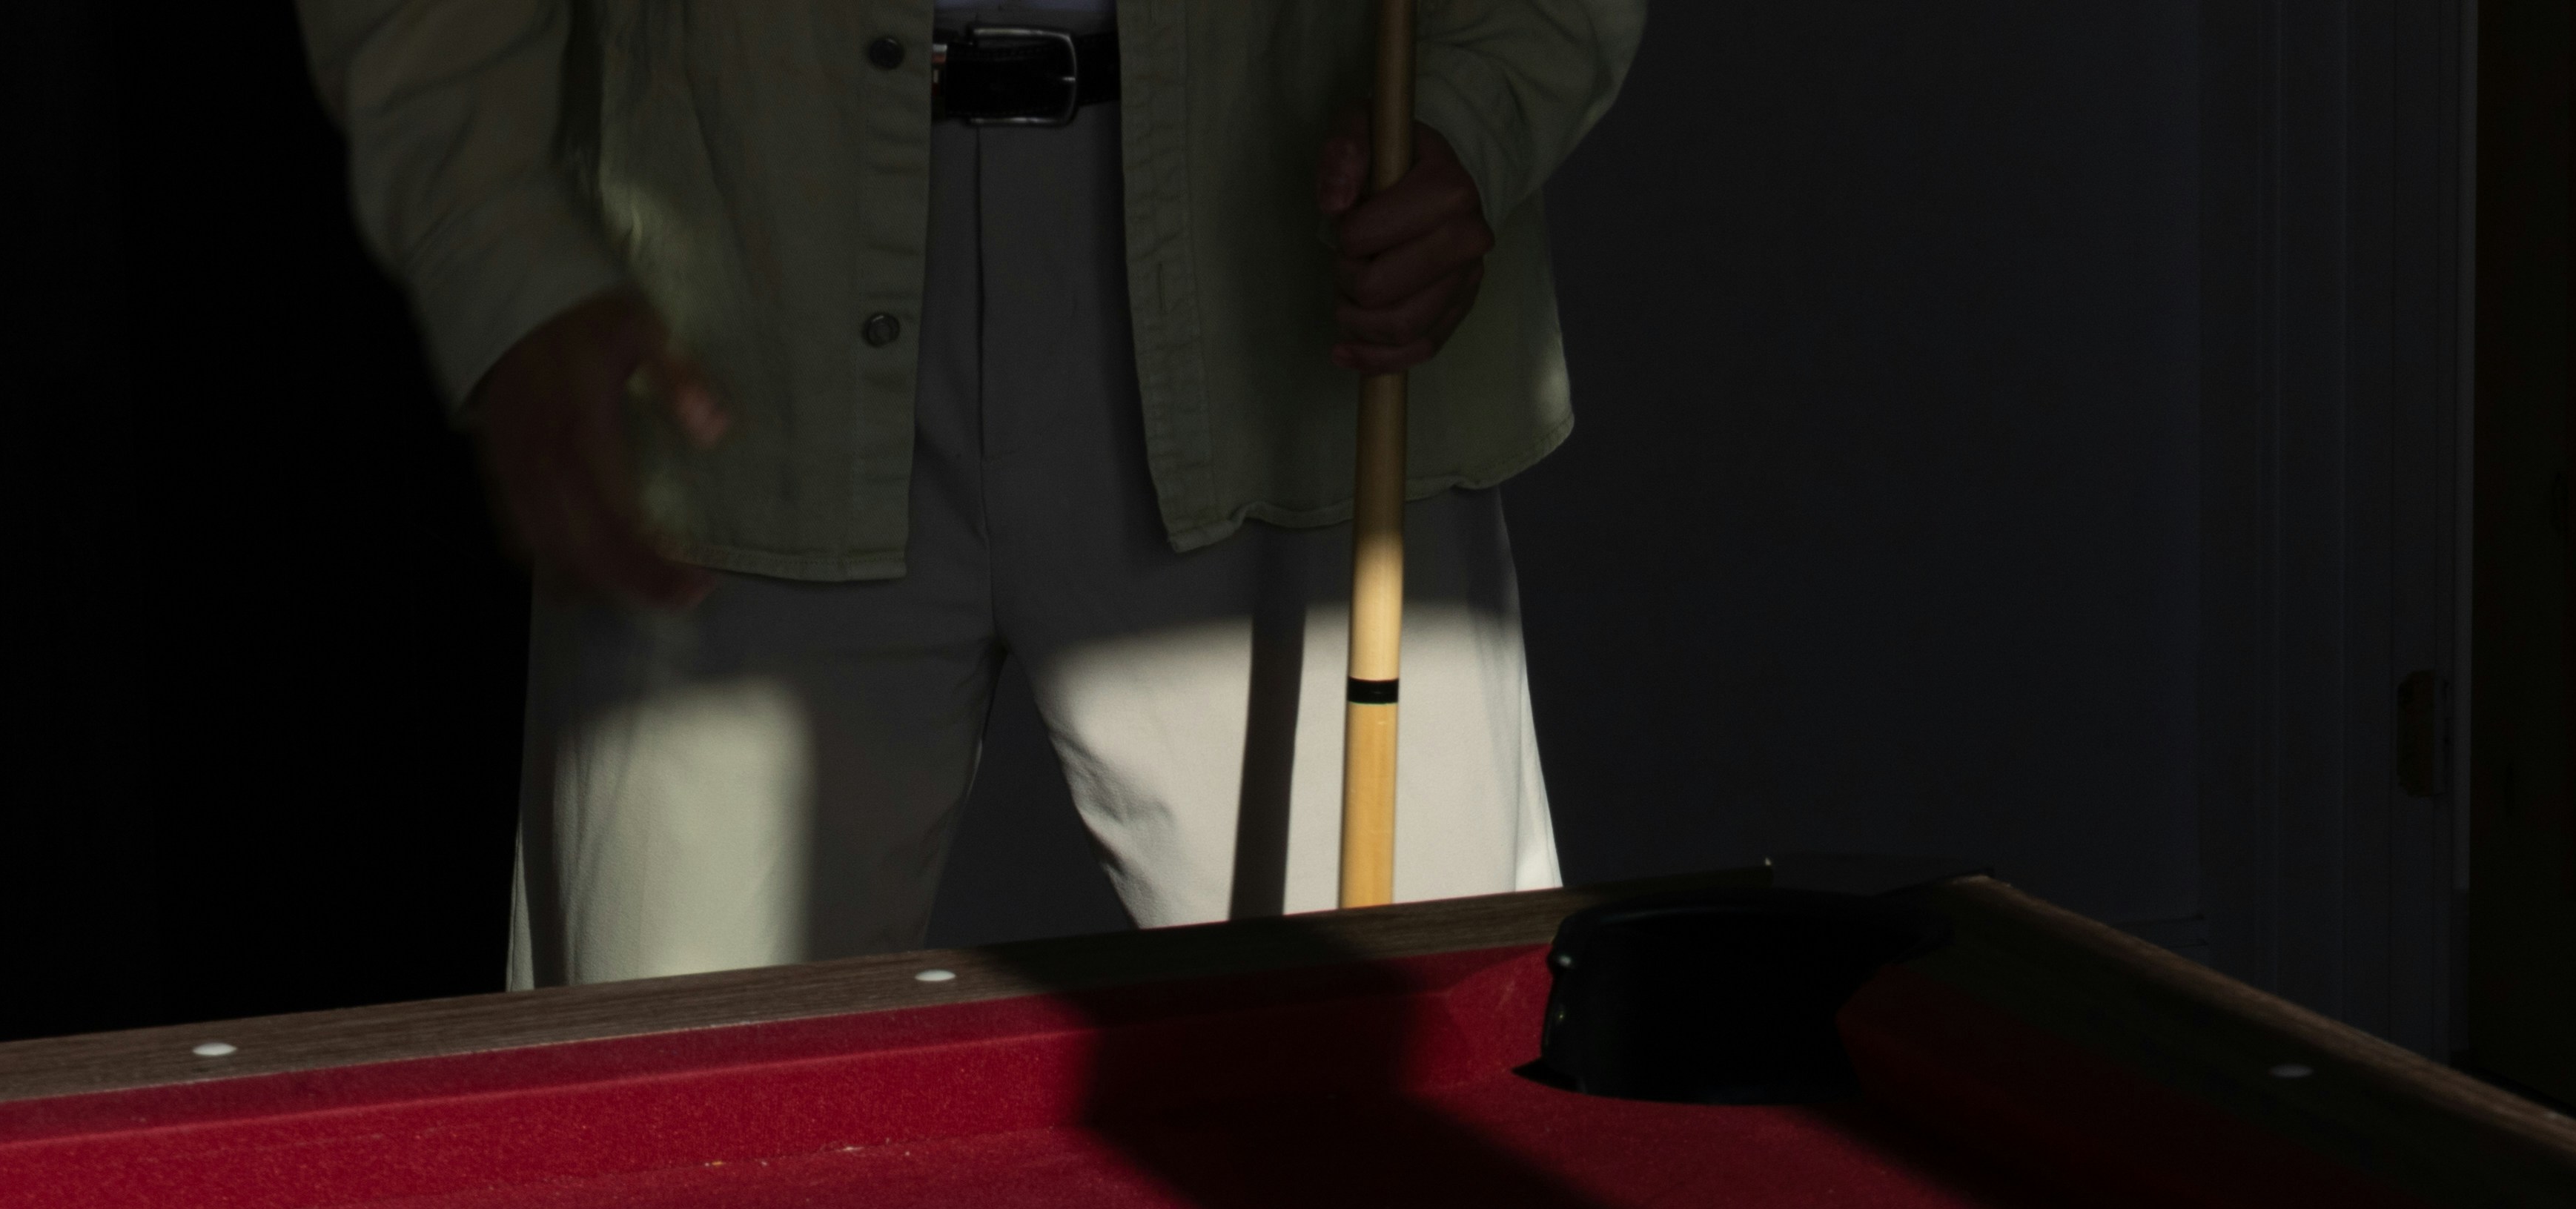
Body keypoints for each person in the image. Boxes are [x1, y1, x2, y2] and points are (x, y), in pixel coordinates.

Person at [302, 1, 1644, 986]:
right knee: (660, 1160)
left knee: (1425, 1126)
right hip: (739, 279)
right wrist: (497, 238)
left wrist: (1480, 111)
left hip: (1283, 295)